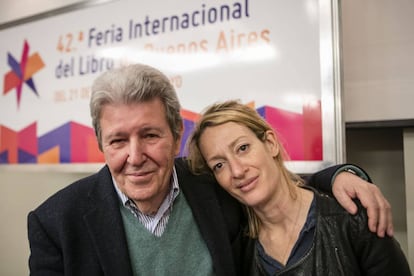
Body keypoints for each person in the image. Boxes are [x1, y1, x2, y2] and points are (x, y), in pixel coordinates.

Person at [28, 64, 394, 276]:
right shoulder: (56, 223)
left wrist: (342, 174)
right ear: (101, 144)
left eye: (150, 135)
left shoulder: (210, 184)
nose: (135, 156)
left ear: (174, 136)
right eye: (118, 141)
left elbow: (273, 182)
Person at [186, 100, 411, 275]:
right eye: (219, 165)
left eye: (243, 148)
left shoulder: (352, 218)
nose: (236, 170)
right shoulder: (238, 250)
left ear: (271, 144)